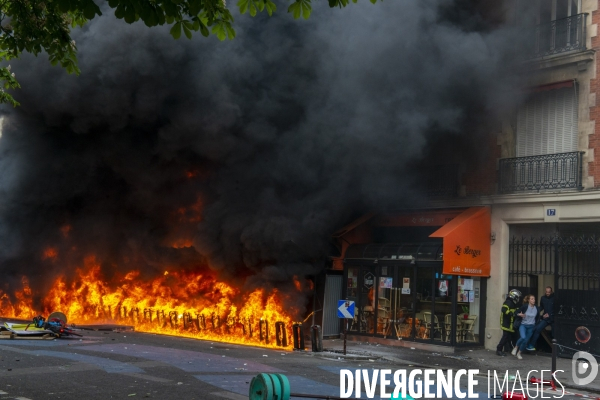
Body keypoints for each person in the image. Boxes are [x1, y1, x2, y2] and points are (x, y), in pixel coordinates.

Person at [512, 294, 540, 360]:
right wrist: (519, 314)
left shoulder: (536, 308)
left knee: (526, 341)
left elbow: (537, 317)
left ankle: (519, 353)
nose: (533, 300)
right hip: (523, 325)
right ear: (529, 300)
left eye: (534, 299)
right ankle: (516, 347)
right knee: (523, 337)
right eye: (532, 299)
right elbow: (516, 312)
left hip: (531, 326)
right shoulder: (525, 306)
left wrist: (537, 323)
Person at [527, 286, 554, 351]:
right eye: (546, 292)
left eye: (549, 292)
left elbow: (557, 309)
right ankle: (532, 345)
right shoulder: (543, 298)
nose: (547, 293)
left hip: (553, 318)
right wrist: (535, 310)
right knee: (538, 329)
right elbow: (541, 307)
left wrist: (550, 314)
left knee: (554, 334)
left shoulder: (554, 298)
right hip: (546, 318)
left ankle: (556, 350)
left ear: (551, 292)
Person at [496, 288, 521, 356]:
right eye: (517, 297)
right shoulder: (508, 302)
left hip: (510, 323)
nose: (518, 299)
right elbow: (504, 310)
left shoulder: (513, 303)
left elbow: (515, 311)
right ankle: (499, 349)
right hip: (506, 323)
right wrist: (512, 313)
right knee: (505, 337)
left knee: (511, 337)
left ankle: (510, 349)